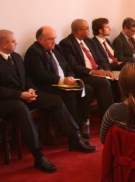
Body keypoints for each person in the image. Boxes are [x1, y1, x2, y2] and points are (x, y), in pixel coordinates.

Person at [0, 30, 97, 173]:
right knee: (22, 109)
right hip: (6, 100)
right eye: (14, 42)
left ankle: (74, 138)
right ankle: (38, 155)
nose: (17, 43)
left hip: (25, 94)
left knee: (56, 100)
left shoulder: (15, 56)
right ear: (4, 44)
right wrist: (20, 94)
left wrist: (31, 88)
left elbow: (26, 77)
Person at [24, 26, 94, 138]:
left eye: (54, 38)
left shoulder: (56, 48)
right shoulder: (34, 52)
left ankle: (81, 122)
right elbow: (42, 75)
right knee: (69, 95)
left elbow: (67, 66)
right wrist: (62, 80)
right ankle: (75, 131)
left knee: (88, 89)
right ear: (40, 40)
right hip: (47, 85)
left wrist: (70, 77)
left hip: (63, 82)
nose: (54, 42)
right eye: (50, 39)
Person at [59, 19, 114, 119]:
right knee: (104, 83)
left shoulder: (89, 41)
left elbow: (100, 59)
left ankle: (118, 115)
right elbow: (73, 66)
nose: (89, 31)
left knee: (116, 80)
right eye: (87, 29)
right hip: (83, 75)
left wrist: (107, 70)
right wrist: (93, 72)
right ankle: (106, 120)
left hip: (96, 73)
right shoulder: (66, 44)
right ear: (79, 31)